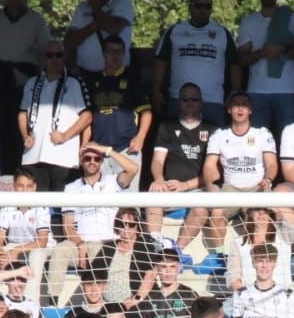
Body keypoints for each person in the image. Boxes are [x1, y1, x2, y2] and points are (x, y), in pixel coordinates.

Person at [0, 0, 50, 175]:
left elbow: (45, 52)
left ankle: (22, 174)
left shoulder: (36, 20)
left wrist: (34, 79)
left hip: (25, 83)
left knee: (21, 130)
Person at [53, 142, 139, 298]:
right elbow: (67, 226)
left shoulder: (113, 182)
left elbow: (133, 169)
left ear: (102, 161)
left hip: (108, 244)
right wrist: (80, 243)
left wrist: (107, 150)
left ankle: (103, 300)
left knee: (102, 254)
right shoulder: (71, 188)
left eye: (96, 158)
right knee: (60, 249)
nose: (92, 162)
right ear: (81, 161)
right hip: (81, 243)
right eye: (88, 158)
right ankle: (53, 301)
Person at [201, 90, 279, 254]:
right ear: (229, 109)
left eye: (244, 105)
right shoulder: (219, 135)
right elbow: (209, 166)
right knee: (216, 212)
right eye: (236, 105)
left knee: (253, 214)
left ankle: (256, 253)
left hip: (256, 187)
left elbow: (272, 164)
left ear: (250, 110)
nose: (240, 108)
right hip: (230, 188)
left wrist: (268, 179)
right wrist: (210, 185)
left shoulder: (262, 133)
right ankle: (219, 256)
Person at [152, 0, 239, 124]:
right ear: (190, 7)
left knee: (214, 137)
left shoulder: (222, 33)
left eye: (207, 6)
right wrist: (156, 90)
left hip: (212, 100)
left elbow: (235, 65)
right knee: (175, 136)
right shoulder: (175, 31)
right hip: (179, 99)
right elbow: (160, 61)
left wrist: (235, 94)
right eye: (198, 6)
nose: (202, 10)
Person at [237, 0, 294, 137]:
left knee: (290, 140)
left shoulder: (291, 18)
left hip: (287, 91)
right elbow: (241, 60)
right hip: (257, 92)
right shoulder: (248, 22)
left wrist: (282, 49)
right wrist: (262, 52)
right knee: (256, 140)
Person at [18, 41, 90, 194]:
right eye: (50, 56)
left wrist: (65, 136)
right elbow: (22, 112)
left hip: (63, 157)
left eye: (59, 55)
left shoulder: (74, 82)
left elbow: (87, 116)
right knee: (37, 204)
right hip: (34, 155)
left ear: (65, 57)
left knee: (61, 204)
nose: (54, 59)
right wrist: (25, 136)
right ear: (43, 59)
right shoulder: (32, 82)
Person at [147, 84, 216, 244]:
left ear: (201, 102)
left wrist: (185, 185)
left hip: (198, 188)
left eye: (194, 99)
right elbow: (157, 160)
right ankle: (154, 245)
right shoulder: (167, 126)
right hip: (171, 187)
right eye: (185, 99)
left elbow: (214, 172)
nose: (190, 103)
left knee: (201, 209)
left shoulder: (212, 129)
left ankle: (177, 251)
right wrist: (159, 179)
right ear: (179, 102)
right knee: (152, 197)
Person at [81, 34, 151, 169]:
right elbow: (87, 117)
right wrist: (85, 144)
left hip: (127, 149)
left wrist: (140, 138)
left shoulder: (133, 78)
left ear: (124, 54)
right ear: (104, 54)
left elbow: (146, 112)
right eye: (111, 51)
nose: (115, 55)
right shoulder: (93, 81)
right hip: (99, 151)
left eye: (119, 52)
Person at [64, 0, 135, 75]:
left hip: (116, 73)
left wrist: (96, 8)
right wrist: (95, 25)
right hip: (85, 73)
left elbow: (114, 29)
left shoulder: (123, 3)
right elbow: (69, 41)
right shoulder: (82, 7)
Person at [225, 206, 294, 293]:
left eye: (265, 210)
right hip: (249, 296)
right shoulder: (237, 242)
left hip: (282, 296)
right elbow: (233, 276)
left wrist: (275, 205)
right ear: (250, 213)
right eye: (257, 209)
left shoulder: (283, 235)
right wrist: (247, 295)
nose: (261, 213)